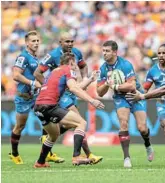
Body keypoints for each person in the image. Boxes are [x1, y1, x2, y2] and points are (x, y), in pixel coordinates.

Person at [34, 32, 103, 164]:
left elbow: (74, 86)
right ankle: (78, 156)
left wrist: (89, 79)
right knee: (81, 123)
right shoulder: (67, 69)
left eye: (72, 41)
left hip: (38, 106)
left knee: (53, 135)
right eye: (75, 63)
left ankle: (40, 162)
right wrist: (92, 100)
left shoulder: (55, 71)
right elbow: (74, 88)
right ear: (71, 62)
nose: (76, 66)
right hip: (51, 105)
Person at [97, 40, 154, 168]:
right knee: (123, 122)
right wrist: (107, 83)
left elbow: (132, 85)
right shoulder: (103, 68)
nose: (104, 53)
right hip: (120, 97)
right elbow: (99, 92)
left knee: (143, 128)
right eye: (103, 51)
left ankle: (148, 144)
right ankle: (126, 158)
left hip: (135, 95)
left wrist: (115, 85)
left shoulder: (126, 64)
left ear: (115, 52)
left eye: (107, 51)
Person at [9, 30, 42, 164]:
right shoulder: (23, 57)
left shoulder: (35, 58)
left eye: (37, 40)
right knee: (20, 126)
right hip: (24, 97)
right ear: (27, 43)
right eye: (33, 41)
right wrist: (32, 83)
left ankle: (48, 153)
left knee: (48, 121)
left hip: (36, 97)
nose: (36, 43)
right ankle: (15, 153)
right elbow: (16, 75)